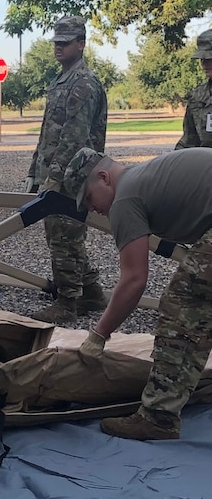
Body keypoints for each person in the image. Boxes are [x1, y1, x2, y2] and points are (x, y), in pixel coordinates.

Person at [63, 145, 212, 441]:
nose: (91, 209)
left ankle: (158, 417)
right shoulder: (142, 179)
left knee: (184, 304)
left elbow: (134, 280)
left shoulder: (125, 198)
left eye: (89, 198)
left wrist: (99, 335)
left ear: (104, 177)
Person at [26, 15, 109, 324]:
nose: (58, 47)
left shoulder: (83, 83)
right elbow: (50, 131)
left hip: (73, 176)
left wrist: (55, 178)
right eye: (56, 42)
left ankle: (67, 304)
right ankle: (91, 292)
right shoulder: (63, 79)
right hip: (56, 173)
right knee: (64, 237)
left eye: (65, 43)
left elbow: (74, 137)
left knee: (64, 238)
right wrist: (36, 170)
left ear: (81, 44)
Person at [173, 29, 212, 149]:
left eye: (210, 59)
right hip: (206, 166)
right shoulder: (198, 96)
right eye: (202, 59)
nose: (204, 64)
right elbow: (189, 140)